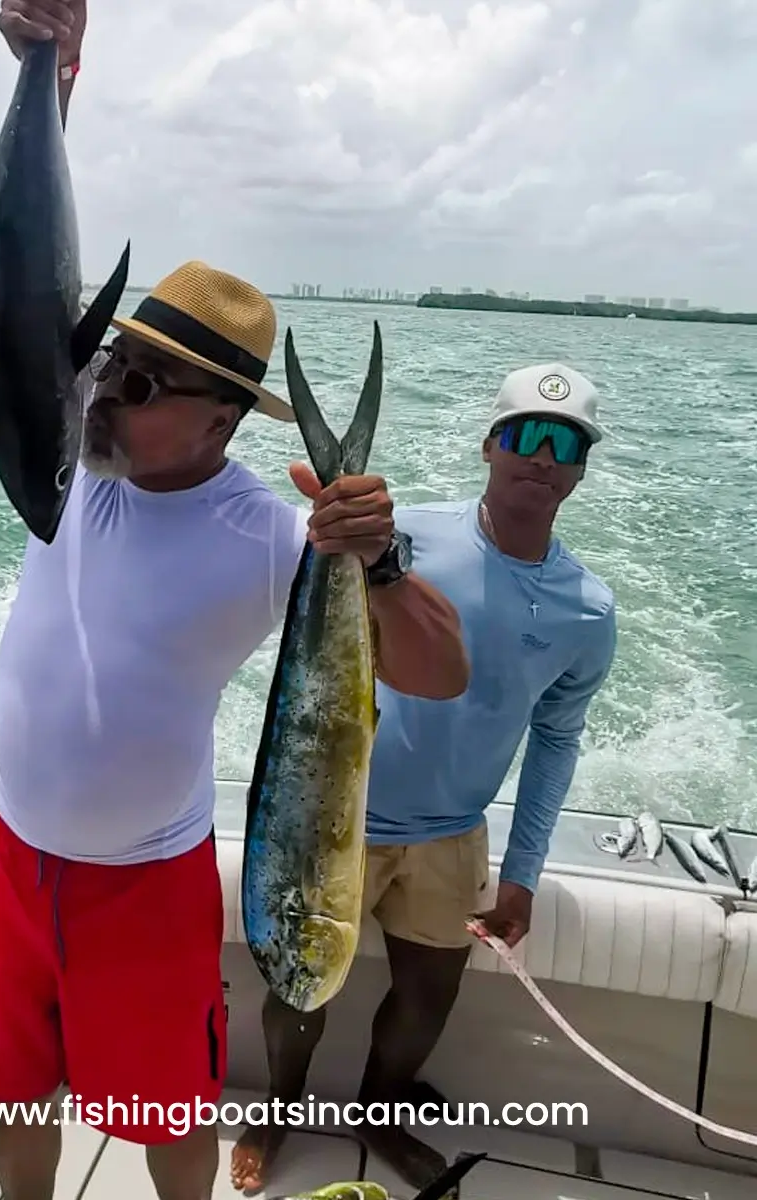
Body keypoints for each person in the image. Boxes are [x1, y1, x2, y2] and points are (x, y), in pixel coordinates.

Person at [0, 8, 471, 1199]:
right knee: (5, 1081)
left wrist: (377, 560)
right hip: (6, 849)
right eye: (109, 360)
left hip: (147, 876)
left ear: (222, 419)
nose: (103, 390)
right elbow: (23, 272)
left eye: (136, 381)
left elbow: (438, 676)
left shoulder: (271, 538)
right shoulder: (80, 436)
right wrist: (52, 69)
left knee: (164, 1109)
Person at [231, 362, 618, 1194]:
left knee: (429, 993)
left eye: (564, 444)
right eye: (524, 436)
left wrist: (522, 875)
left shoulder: (589, 609)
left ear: (582, 468)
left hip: (451, 831)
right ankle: (274, 1110)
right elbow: (324, 616)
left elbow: (556, 744)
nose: (541, 457)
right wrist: (346, 528)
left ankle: (379, 1114)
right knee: (298, 988)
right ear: (490, 445)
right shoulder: (407, 537)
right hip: (335, 817)